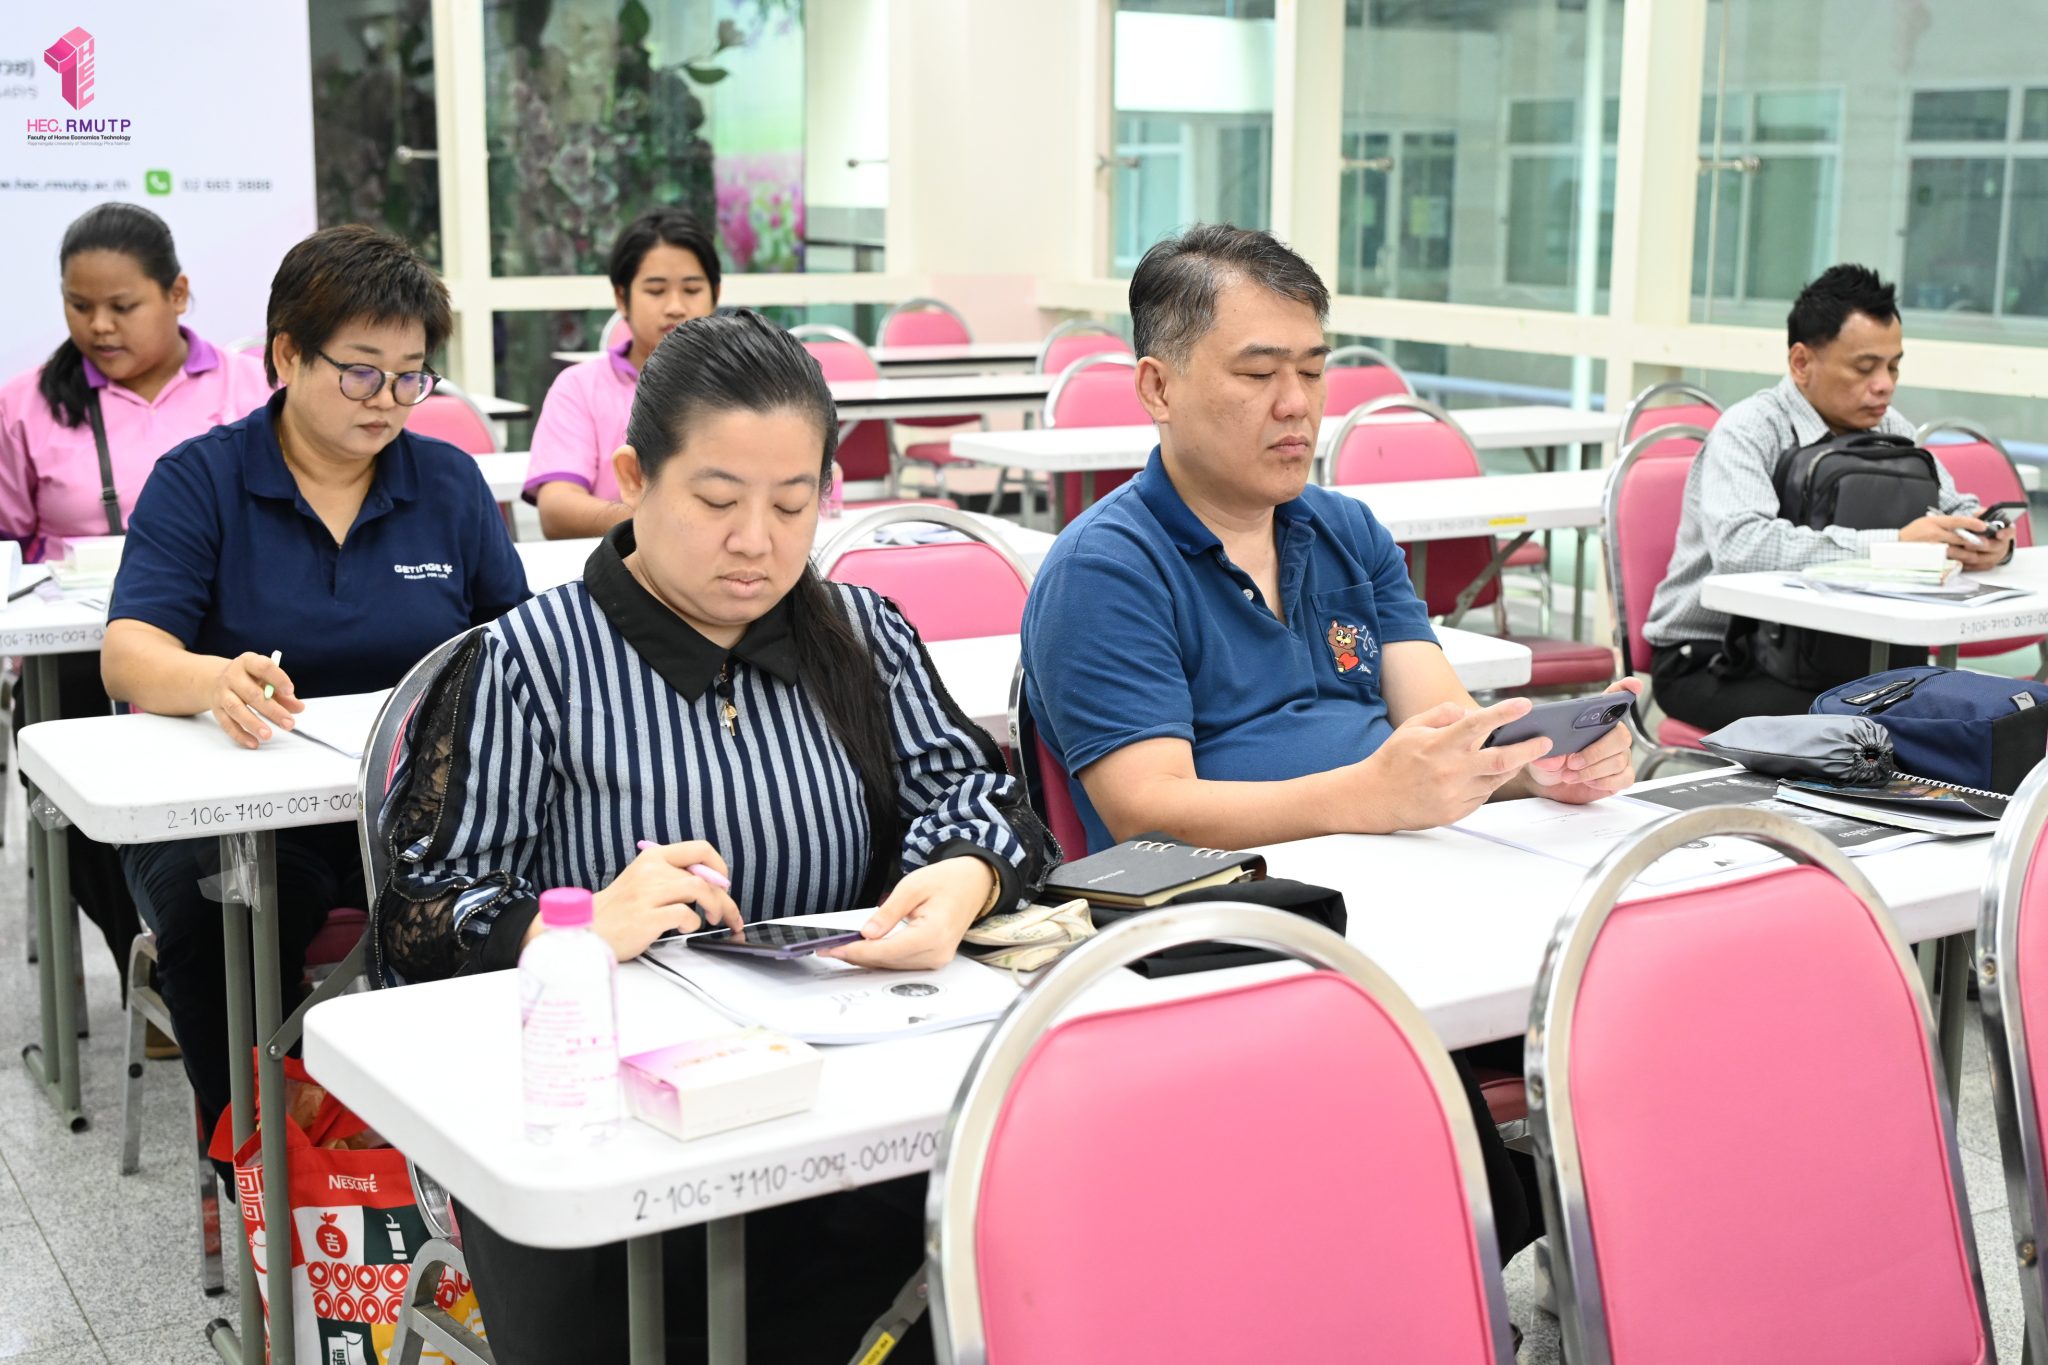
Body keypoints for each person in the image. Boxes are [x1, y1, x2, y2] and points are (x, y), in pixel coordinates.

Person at [377, 309, 1052, 1362]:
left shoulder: (860, 633)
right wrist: (573, 926)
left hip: (851, 1114)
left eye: (791, 503)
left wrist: (965, 872)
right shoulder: (530, 664)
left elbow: (980, 793)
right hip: (623, 1148)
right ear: (633, 478)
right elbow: (417, 917)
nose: (756, 541)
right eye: (716, 500)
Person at [1019, 223, 1641, 1264]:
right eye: (1257, 372)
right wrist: (1371, 794)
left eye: (1311, 371)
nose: (1296, 405)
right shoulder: (1106, 568)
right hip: (1237, 938)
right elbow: (1146, 807)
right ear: (1157, 387)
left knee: (1639, 990)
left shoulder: (1344, 531)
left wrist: (1536, 765)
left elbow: (1441, 735)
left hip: (1412, 893)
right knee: (1459, 1097)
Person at [100, 224, 530, 1145]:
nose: (389, 401)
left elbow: (516, 645)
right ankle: (258, 1160)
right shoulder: (203, 480)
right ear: (287, 354)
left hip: (416, 805)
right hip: (243, 808)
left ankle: (459, 1151)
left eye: (411, 377)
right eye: (362, 372)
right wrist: (212, 676)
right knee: (222, 921)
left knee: (524, 897)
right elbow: (128, 651)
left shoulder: (448, 484)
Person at [0, 202, 272, 988]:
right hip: (82, 656)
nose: (99, 326)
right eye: (79, 305)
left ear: (177, 293)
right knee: (62, 755)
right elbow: (10, 542)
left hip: (227, 640)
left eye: (122, 305)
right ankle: (151, 965)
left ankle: (244, 961)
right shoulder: (27, 404)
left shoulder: (250, 385)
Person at [1644, 264, 2008, 731]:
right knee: (1880, 732)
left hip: (1842, 653)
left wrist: (1984, 537)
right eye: (1865, 368)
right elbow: (1743, 547)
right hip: (1718, 659)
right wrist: (1896, 547)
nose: (1885, 384)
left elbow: (1953, 505)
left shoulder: (1890, 428)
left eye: (1894, 366)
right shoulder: (1750, 429)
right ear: (1801, 363)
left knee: (1965, 717)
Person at [524, 207, 722, 539]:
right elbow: (557, 510)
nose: (675, 307)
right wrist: (656, 523)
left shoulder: (747, 385)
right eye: (656, 291)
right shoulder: (579, 388)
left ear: (716, 293)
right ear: (621, 296)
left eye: (691, 290)